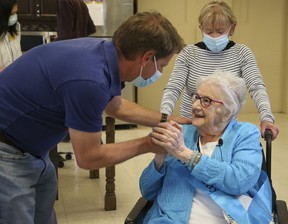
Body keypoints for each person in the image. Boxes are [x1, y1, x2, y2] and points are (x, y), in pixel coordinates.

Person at [0, 11, 190, 224]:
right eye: (162, 66)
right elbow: (89, 157)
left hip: (33, 150)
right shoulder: (90, 80)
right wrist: (148, 144)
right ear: (147, 58)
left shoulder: (103, 54)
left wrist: (166, 119)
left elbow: (115, 105)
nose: (160, 72)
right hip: (7, 152)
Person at [141, 70, 273, 223]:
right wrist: (160, 157)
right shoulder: (180, 133)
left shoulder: (245, 134)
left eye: (206, 101)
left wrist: (184, 154)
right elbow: (147, 191)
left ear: (227, 112)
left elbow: (239, 181)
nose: (196, 106)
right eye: (196, 97)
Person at [160, 1, 279, 140]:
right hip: (190, 126)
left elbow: (256, 87)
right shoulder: (188, 53)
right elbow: (173, 89)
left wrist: (267, 117)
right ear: (201, 28)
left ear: (232, 28)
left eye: (220, 31)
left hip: (225, 129)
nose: (215, 36)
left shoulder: (242, 53)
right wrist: (164, 118)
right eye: (209, 31)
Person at [0, 0, 22, 72]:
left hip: (15, 77)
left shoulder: (16, 27)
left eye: (16, 12)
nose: (15, 16)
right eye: (12, 13)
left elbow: (18, 53)